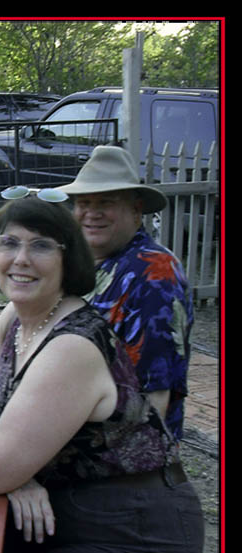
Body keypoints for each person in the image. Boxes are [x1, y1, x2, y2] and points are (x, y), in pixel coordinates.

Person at [0, 196, 204, 553]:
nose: (21, 259)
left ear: (68, 259)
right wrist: (22, 475)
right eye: (9, 243)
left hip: (137, 537)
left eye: (40, 246)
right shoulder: (18, 316)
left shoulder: (71, 346)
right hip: (63, 513)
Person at [57, 145, 194, 441]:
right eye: (84, 202)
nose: (92, 213)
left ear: (135, 210)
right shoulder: (89, 263)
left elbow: (154, 397)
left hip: (117, 455)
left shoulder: (155, 274)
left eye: (106, 202)